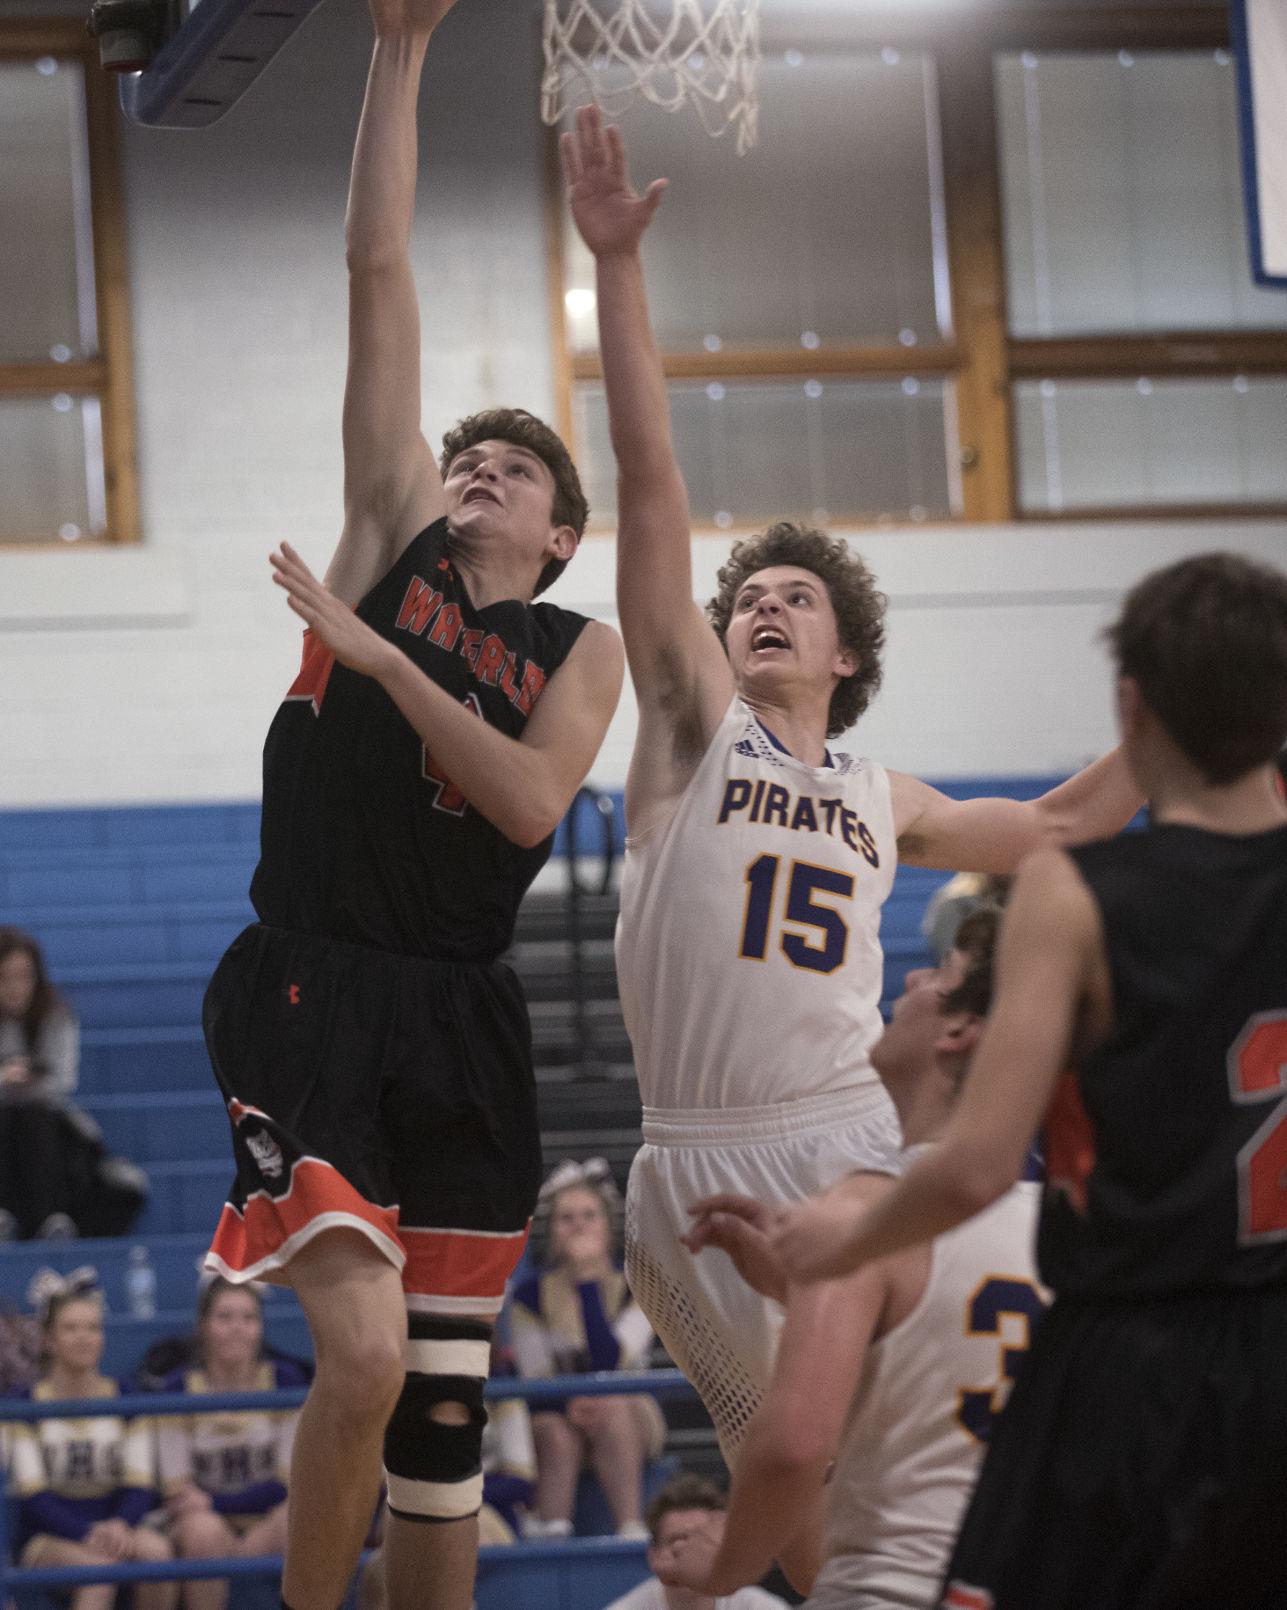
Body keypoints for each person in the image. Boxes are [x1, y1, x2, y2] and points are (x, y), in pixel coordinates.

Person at [559, 104, 1140, 1460]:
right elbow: (650, 484)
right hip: (697, 1149)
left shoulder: (887, 796)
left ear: (845, 650)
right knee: (798, 1477)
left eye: (793, 597)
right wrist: (618, 268)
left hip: (851, 1131)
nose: (760, 606)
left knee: (924, 1447)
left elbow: (1068, 818)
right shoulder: (694, 727)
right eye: (744, 595)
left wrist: (1198, 699)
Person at [198, 6, 624, 1609]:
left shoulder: (575, 652)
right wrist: (400, 48)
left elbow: (523, 802)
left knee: (442, 1417)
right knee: (363, 1363)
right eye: (469, 456)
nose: (478, 471)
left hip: (463, 1017)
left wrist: (380, 659)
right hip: (307, 985)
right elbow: (380, 277)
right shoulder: (389, 532)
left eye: (514, 470)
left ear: (563, 534)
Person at [771, 551, 1287, 1608]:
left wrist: (835, 1239)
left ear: (1130, 707)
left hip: (1129, 1350)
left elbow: (973, 1166)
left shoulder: (1074, 891)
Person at [653, 908, 1044, 1608]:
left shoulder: (862, 1213)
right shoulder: (1065, 1230)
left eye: (940, 977)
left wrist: (728, 1570)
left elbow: (795, 1446)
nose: (916, 975)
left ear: (958, 1033)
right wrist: (798, 1295)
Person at [6, 1270, 177, 1610]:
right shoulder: (24, 1404)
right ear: (48, 1340)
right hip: (46, 1535)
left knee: (158, 1554)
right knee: (98, 1570)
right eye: (70, 1329)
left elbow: (139, 1484)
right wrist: (87, 1533)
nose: (84, 1338)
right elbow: (32, 1494)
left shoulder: (127, 1397)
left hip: (117, 1523)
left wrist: (119, 1525)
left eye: (93, 1328)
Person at [510, 1160, 662, 1540]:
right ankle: (553, 1530)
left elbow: (613, 1361)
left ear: (607, 1225)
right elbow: (535, 1377)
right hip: (559, 1412)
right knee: (552, 1429)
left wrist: (588, 1285)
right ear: (553, 1231)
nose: (578, 1225)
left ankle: (630, 1527)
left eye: (589, 1215)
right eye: (566, 1218)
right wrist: (566, 1403)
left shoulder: (637, 1286)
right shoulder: (529, 1297)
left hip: (629, 1409)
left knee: (612, 1407)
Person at [156, 1278, 305, 1610]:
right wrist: (211, 1510)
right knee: (201, 1530)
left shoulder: (286, 1380)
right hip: (203, 1523)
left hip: (265, 1519)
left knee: (298, 1515)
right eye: (224, 1317)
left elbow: (288, 1483)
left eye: (248, 1318)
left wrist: (214, 1503)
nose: (237, 1328)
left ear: (261, 1328)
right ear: (204, 1326)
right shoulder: (177, 1387)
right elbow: (176, 1488)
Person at [0, 927, 147, 1240]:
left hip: (47, 1126)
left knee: (34, 1117)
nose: (15, 987)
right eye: (5, 977)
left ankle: (49, 1217)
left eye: (23, 976)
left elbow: (62, 1083)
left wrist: (25, 1084)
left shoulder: (56, 1015)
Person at [601, 1474, 791, 1610]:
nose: (687, 1551)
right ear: (654, 1557)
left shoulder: (757, 1606)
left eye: (699, 1540)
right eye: (676, 1541)